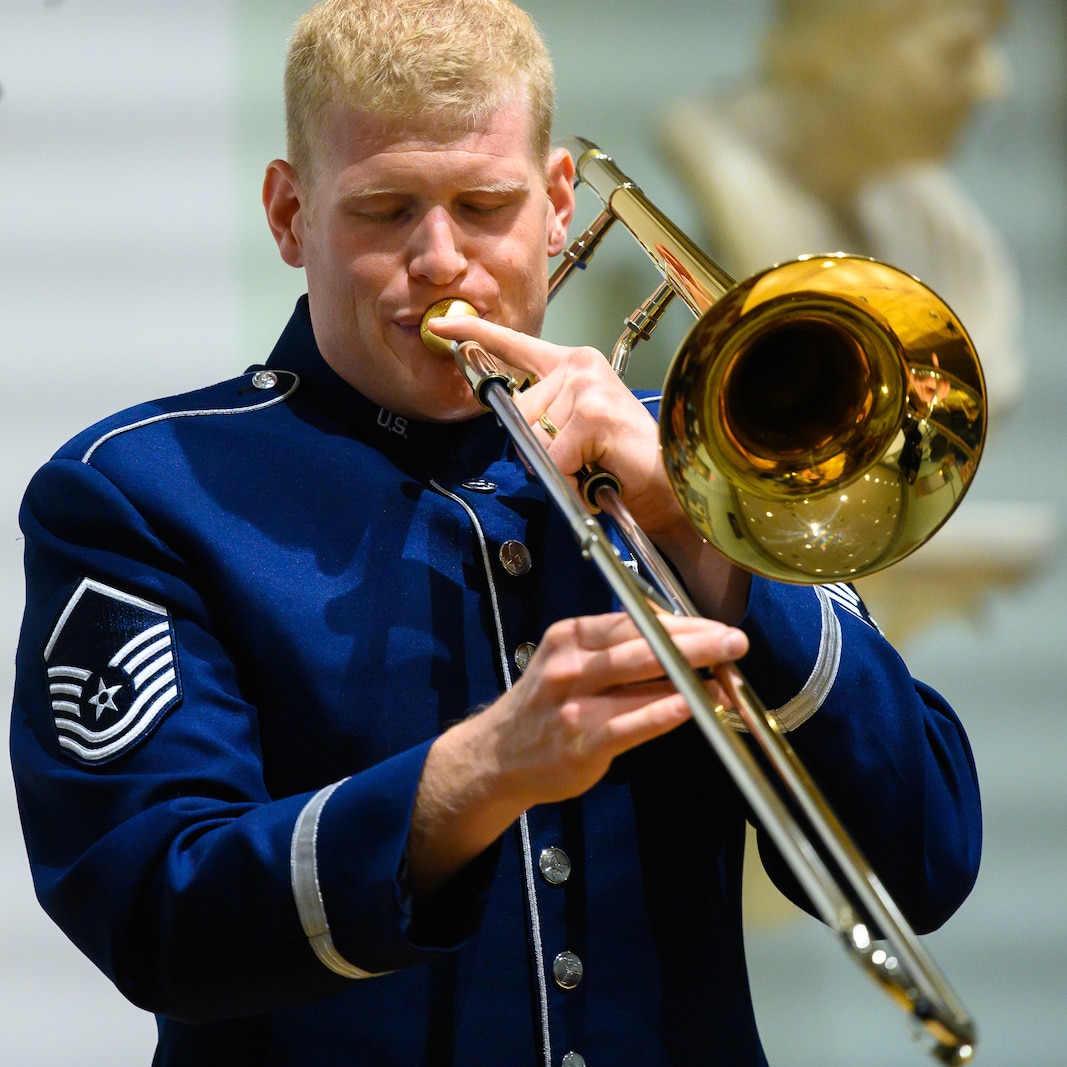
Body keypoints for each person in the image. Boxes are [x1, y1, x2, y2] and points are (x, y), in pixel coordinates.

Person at [10, 1, 981, 1064]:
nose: (440, 260)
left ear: (558, 201)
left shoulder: (697, 457)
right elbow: (155, 915)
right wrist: (477, 773)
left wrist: (725, 549)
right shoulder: (146, 489)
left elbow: (923, 859)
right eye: (383, 210)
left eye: (485, 204)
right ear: (290, 215)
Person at [661, 0, 1023, 414]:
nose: (993, 82)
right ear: (843, 45)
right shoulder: (713, 171)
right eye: (958, 49)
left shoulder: (943, 229)